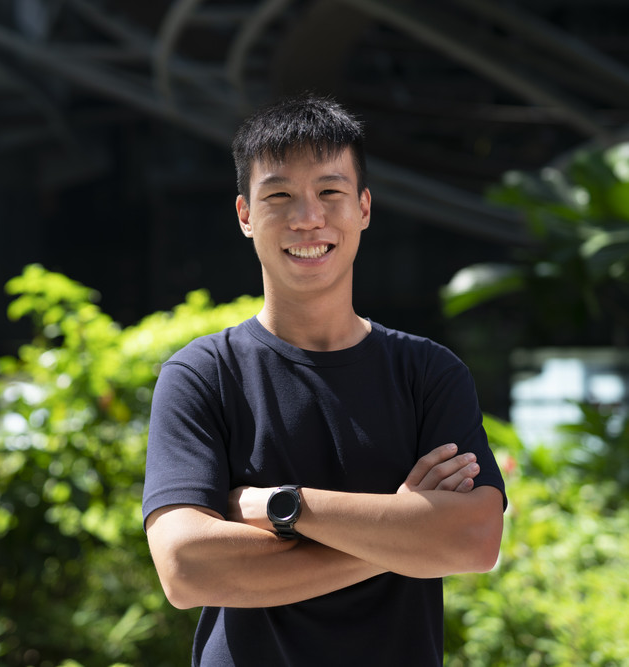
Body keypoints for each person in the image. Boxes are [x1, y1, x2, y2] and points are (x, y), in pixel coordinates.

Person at [142, 95, 506, 666]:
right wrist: (403, 531)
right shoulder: (201, 376)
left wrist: (283, 506)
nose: (306, 217)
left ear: (363, 207)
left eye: (330, 193)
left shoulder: (429, 373)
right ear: (244, 215)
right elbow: (186, 569)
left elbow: (476, 541)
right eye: (280, 195)